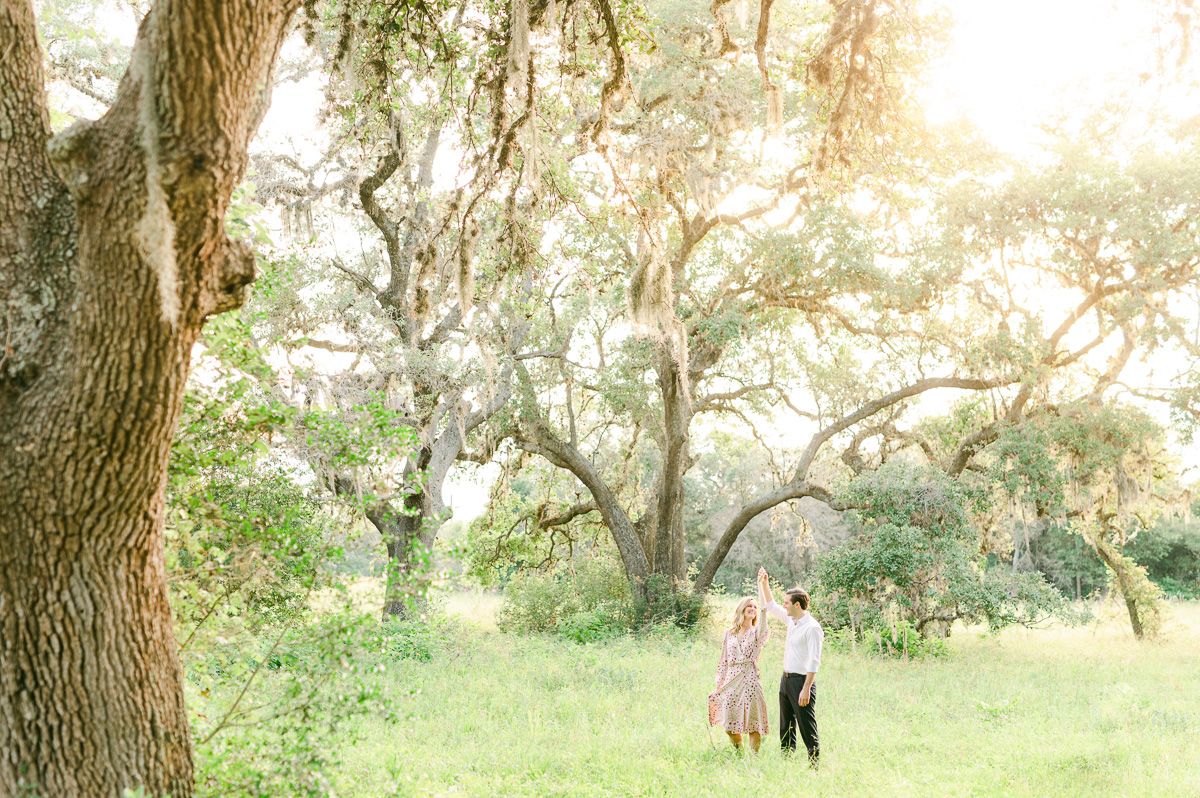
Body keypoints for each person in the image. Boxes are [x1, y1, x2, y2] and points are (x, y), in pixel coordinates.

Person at [758, 566, 822, 767]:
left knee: (805, 723)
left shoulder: (812, 628)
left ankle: (814, 764)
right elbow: (771, 605)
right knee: (786, 724)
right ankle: (787, 759)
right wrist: (764, 583)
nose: (784, 606)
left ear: (797, 604)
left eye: (787, 603)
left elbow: (814, 661)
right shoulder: (792, 620)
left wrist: (806, 688)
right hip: (785, 680)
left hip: (802, 681)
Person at [707, 595, 770, 752]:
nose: (752, 609)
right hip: (731, 680)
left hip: (750, 679)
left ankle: (754, 760)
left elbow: (764, 624)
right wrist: (718, 685)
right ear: (741, 608)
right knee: (729, 725)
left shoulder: (757, 633)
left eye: (755, 607)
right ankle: (740, 753)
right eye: (750, 605)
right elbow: (723, 661)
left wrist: (762, 598)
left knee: (753, 723)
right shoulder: (729, 633)